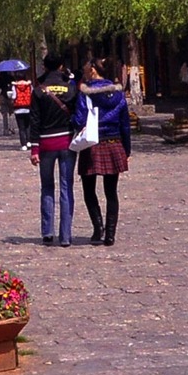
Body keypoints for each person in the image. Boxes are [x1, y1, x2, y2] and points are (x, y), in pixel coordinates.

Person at [74, 58, 131, 246]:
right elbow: (125, 123)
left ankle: (98, 229)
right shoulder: (118, 94)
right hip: (114, 142)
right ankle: (110, 235)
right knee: (111, 192)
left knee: (89, 189)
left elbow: (80, 119)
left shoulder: (85, 93)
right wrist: (127, 148)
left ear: (92, 70)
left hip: (92, 143)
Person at [30, 56, 77, 246]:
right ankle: (65, 235)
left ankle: (47, 232)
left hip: (46, 144)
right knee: (66, 188)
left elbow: (34, 121)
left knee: (47, 186)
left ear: (45, 67)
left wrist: (34, 148)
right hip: (67, 141)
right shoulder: (71, 87)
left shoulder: (39, 90)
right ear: (61, 66)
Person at [10, 72, 34, 153]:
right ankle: (29, 141)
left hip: (18, 109)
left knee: (21, 128)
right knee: (28, 126)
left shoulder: (15, 87)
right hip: (28, 108)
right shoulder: (29, 86)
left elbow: (13, 96)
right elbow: (32, 95)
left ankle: (23, 145)